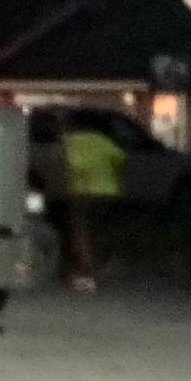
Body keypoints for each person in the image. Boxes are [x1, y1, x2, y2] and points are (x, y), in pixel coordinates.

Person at [61, 115, 127, 292]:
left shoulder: (70, 142)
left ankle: (85, 273)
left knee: (80, 232)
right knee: (98, 230)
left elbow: (71, 164)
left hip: (81, 192)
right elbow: (120, 158)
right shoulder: (102, 140)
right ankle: (98, 267)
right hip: (107, 192)